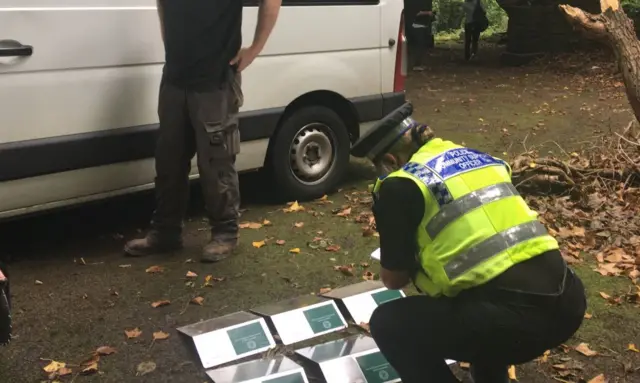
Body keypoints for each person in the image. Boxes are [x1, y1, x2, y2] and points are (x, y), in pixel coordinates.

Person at [350, 103, 587, 383]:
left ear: (390, 159)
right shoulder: (478, 158)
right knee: (476, 300)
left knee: (389, 323)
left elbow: (393, 278)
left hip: (517, 324)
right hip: (569, 301)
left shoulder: (399, 185)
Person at [124, 0, 282, 263]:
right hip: (175, 78)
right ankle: (166, 232)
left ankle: (225, 233)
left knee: (216, 162)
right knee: (169, 161)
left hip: (215, 80)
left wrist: (254, 49)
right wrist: (169, 44)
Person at [404, 0, 434, 71]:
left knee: (417, 44)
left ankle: (416, 64)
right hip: (416, 25)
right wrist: (428, 13)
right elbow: (416, 13)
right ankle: (416, 64)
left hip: (414, 24)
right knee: (419, 45)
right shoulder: (415, 3)